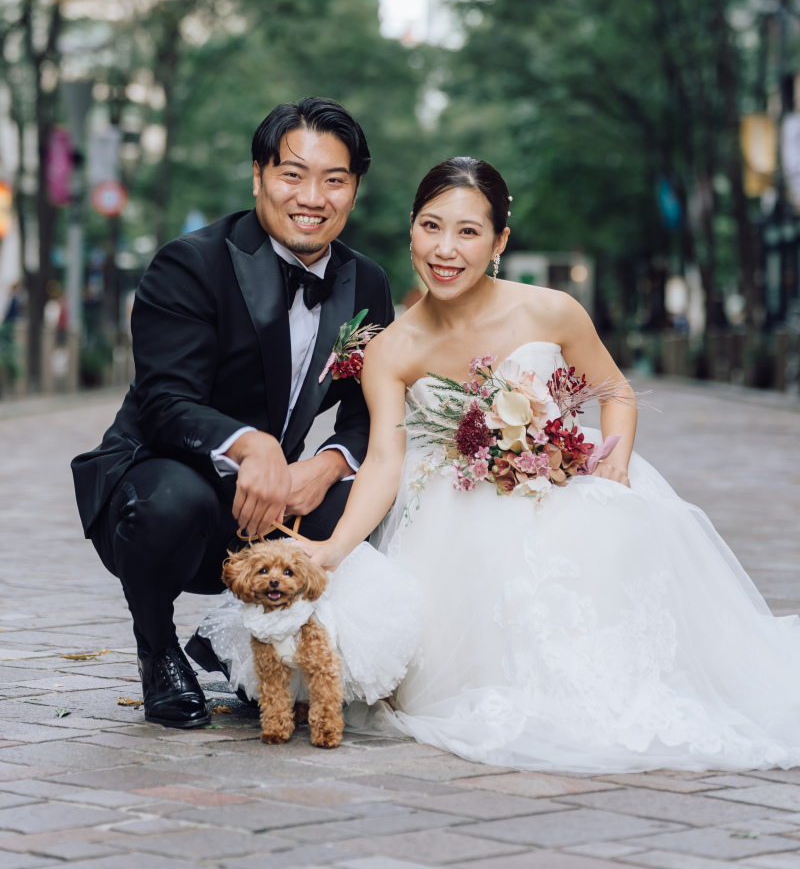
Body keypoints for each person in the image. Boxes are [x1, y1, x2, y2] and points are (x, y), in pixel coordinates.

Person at [299, 156, 800, 772]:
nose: (445, 249)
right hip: (449, 504)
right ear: (411, 228)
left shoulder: (550, 310)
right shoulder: (390, 349)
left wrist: (614, 465)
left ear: (500, 241)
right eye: (431, 227)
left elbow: (613, 391)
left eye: (468, 231)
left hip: (561, 478)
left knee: (604, 524)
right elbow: (381, 461)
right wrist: (337, 548)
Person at [71, 98, 394, 729]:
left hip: (268, 504)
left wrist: (325, 466)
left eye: (334, 179)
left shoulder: (366, 283)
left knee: (371, 501)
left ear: (354, 189)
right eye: (292, 174)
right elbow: (165, 402)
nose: (312, 196)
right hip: (163, 479)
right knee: (170, 499)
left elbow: (367, 416)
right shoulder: (191, 262)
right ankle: (158, 646)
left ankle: (232, 645)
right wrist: (253, 445)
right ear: (257, 177)